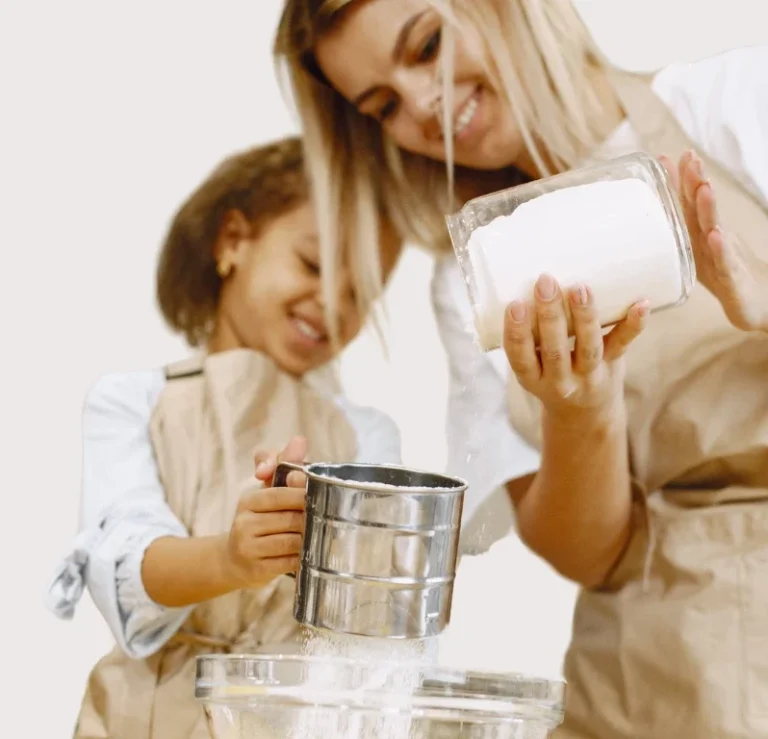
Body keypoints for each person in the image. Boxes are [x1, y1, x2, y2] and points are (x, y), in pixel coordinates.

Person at [273, 3, 768, 737]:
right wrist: (581, 410)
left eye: (428, 46)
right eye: (382, 106)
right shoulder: (475, 280)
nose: (421, 104)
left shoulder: (734, 103)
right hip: (648, 677)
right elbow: (587, 555)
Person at [45, 136, 403, 738]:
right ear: (233, 241)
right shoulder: (133, 402)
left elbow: (377, 620)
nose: (333, 304)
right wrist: (230, 558)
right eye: (313, 265)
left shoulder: (366, 436)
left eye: (360, 293)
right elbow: (126, 565)